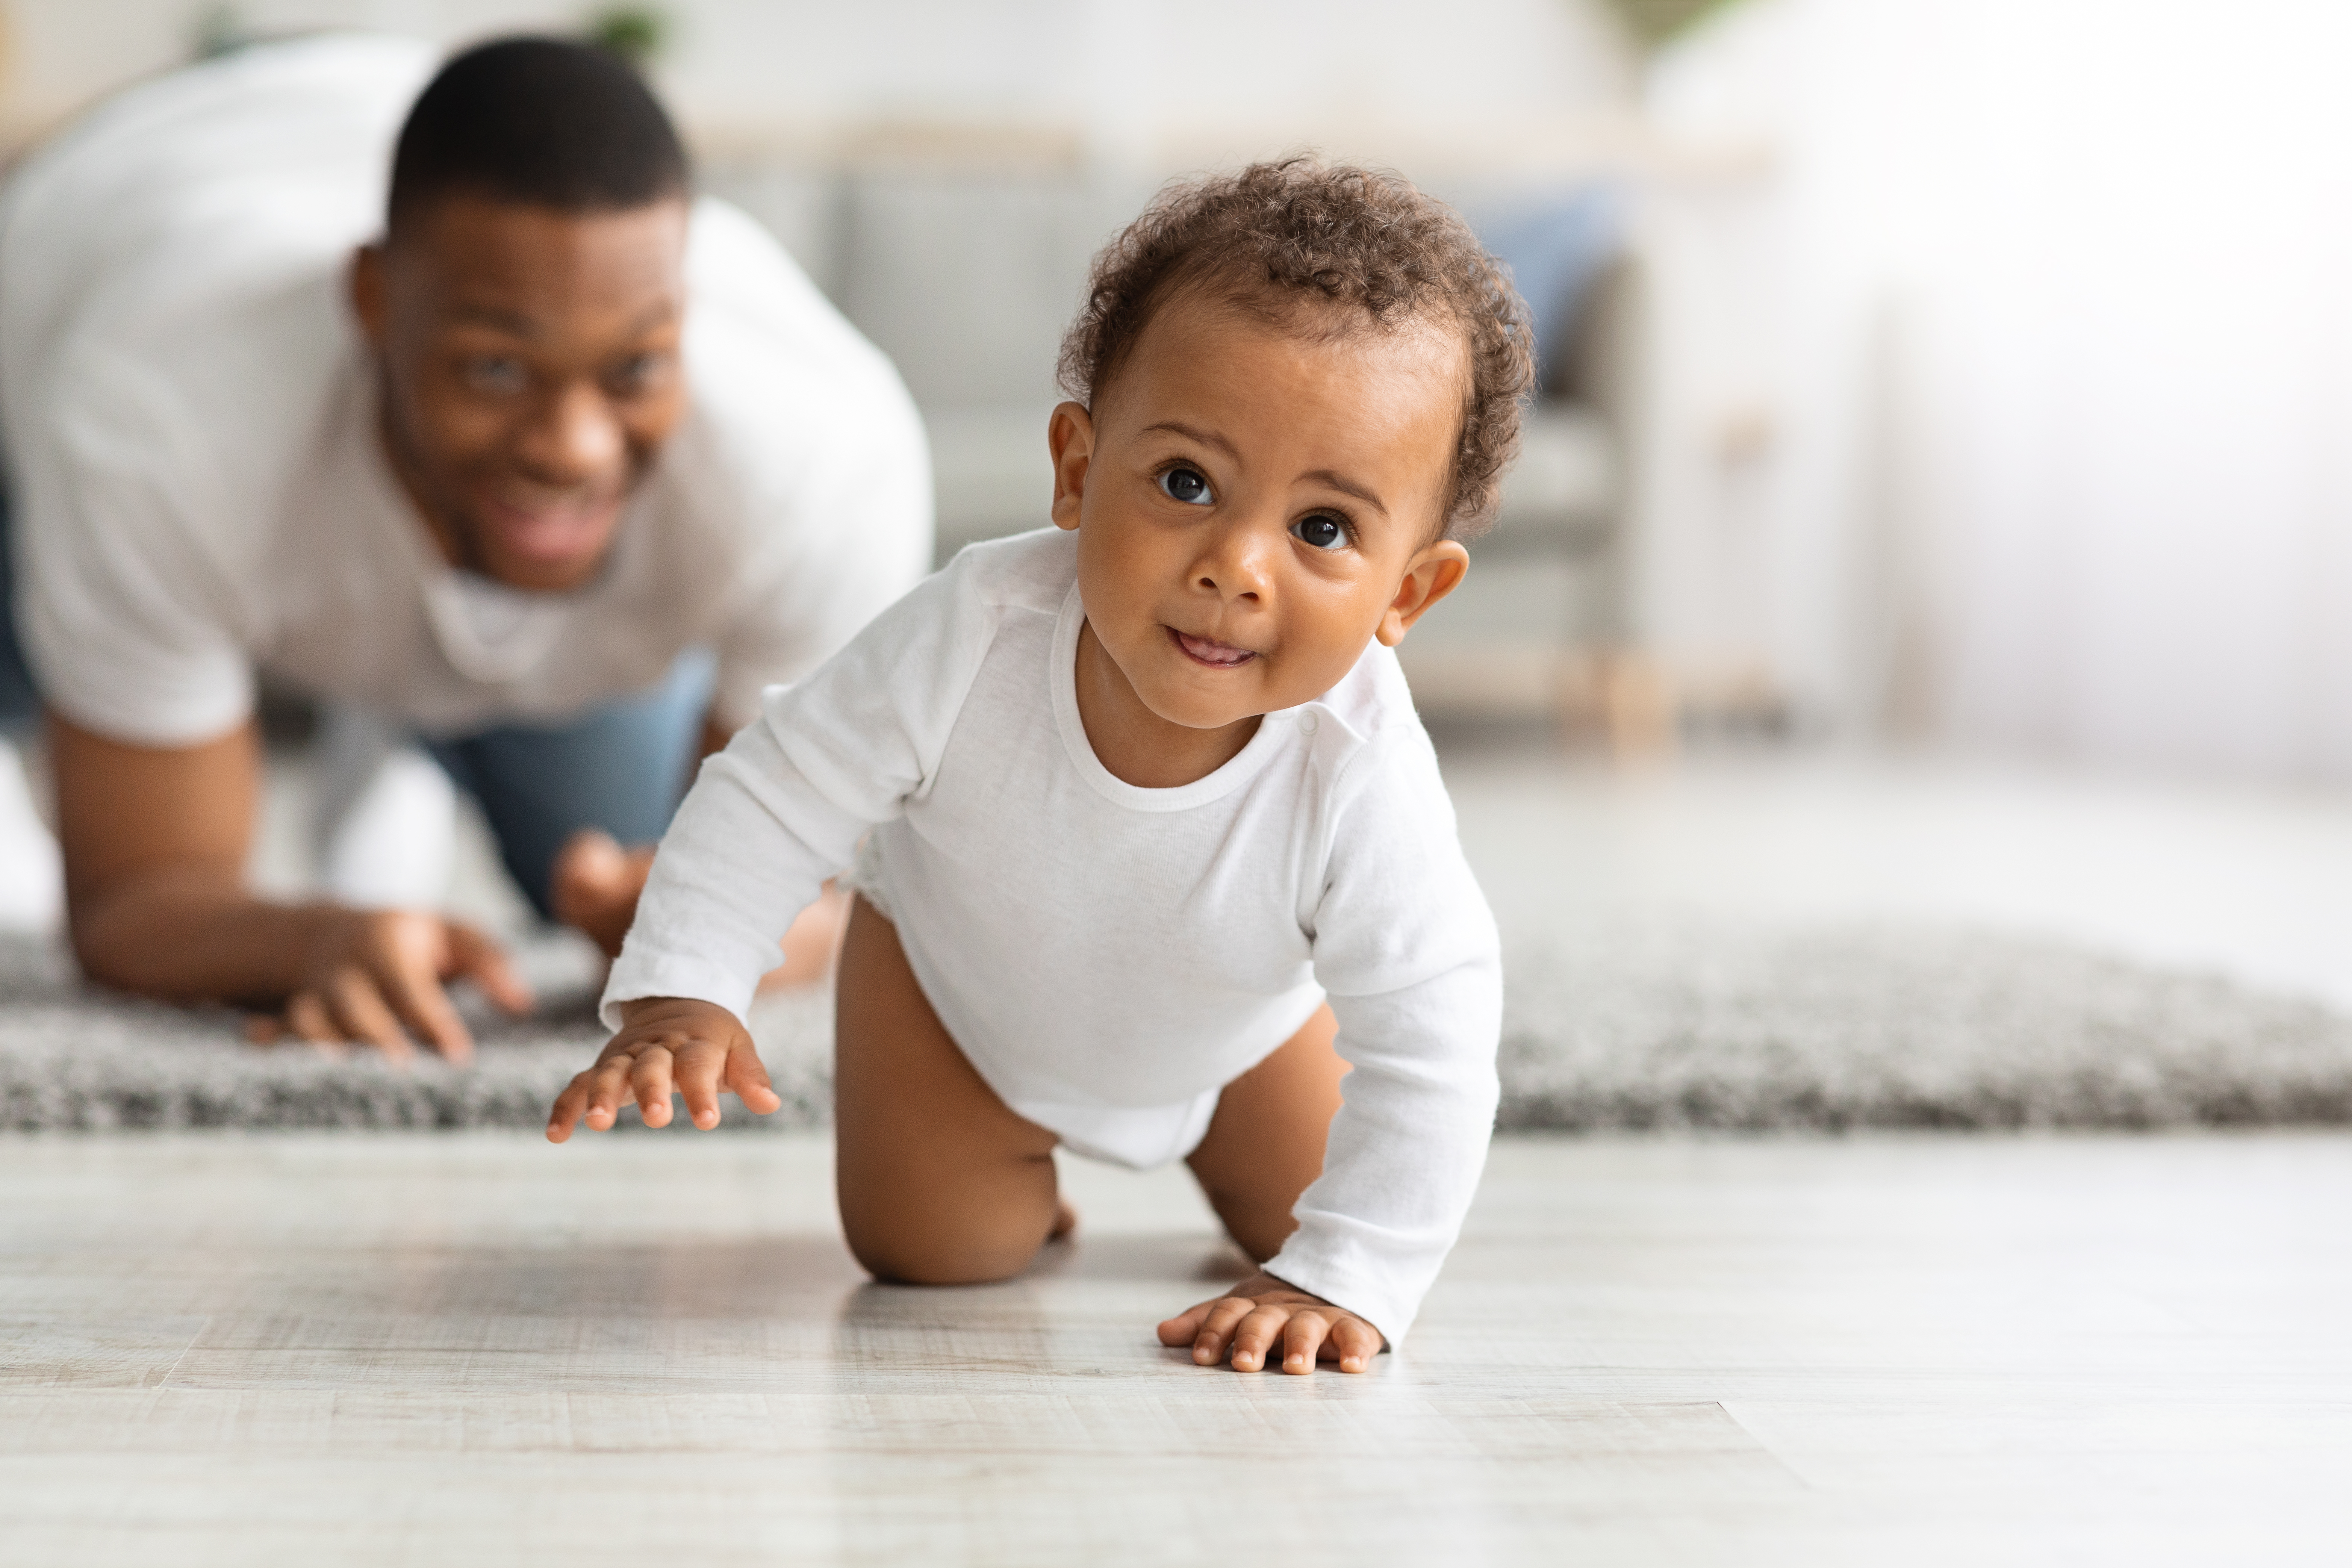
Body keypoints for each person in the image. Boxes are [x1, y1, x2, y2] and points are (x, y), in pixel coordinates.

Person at [547, 160, 1528, 1372]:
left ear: (1408, 593)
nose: (1237, 565)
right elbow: (774, 787)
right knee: (930, 1251)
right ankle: (1009, 1162)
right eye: (1185, 483)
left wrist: (1352, 1276)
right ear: (1075, 466)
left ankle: (1269, 1199)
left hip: (1239, 1038)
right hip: (960, 1007)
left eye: (1321, 529)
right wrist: (685, 990)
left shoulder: (1360, 767)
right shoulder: (972, 632)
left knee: (1318, 1242)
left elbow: (1434, 1033)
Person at [0, 35, 930, 1057]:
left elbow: (825, 905)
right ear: (371, 303)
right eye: (494, 368)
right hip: (82, 308)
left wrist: (707, 928)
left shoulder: (825, 462)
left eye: (630, 371)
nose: (571, 448)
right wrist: (310, 939)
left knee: (621, 880)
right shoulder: (159, 418)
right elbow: (135, 899)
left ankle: (395, 748)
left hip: (480, 580)